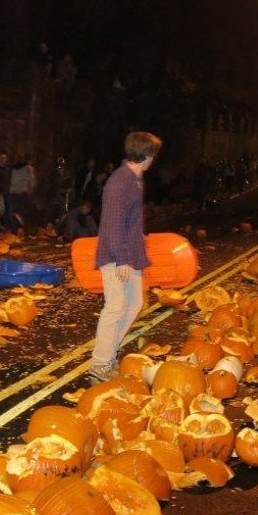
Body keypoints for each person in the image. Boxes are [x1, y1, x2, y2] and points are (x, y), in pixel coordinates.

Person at [87, 131, 162, 382]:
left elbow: (128, 220)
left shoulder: (135, 178)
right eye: (154, 153)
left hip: (130, 252)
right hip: (117, 255)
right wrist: (121, 259)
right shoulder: (121, 181)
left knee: (134, 304)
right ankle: (100, 363)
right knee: (116, 306)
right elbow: (113, 222)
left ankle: (107, 353)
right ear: (147, 154)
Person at [9, 154, 35, 229]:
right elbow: (31, 181)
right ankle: (24, 229)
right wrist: (30, 190)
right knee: (24, 211)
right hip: (22, 192)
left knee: (14, 211)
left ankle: (15, 229)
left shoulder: (13, 168)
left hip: (12, 192)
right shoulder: (28, 168)